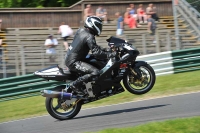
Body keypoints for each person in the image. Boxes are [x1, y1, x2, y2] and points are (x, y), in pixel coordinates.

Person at [64, 16, 116, 94]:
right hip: (74, 61)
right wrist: (110, 55)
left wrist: (106, 50)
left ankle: (89, 91)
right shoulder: (89, 36)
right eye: (98, 25)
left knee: (93, 62)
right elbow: (97, 53)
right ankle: (75, 85)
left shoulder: (81, 30)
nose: (99, 27)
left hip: (72, 58)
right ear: (92, 24)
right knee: (95, 72)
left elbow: (94, 47)